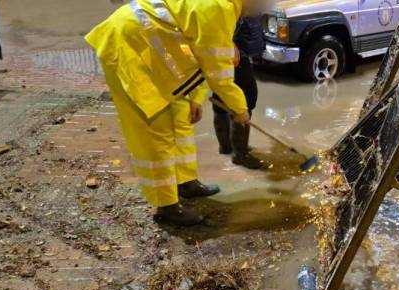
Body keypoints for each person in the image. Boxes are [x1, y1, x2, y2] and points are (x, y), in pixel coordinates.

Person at [85, 0, 268, 226]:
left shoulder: (227, 8)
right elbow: (218, 72)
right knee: (157, 132)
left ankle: (186, 183)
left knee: (182, 117)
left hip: (158, 48)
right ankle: (167, 206)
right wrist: (240, 109)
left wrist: (195, 97)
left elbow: (198, 53)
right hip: (130, 46)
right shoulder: (220, 8)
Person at [212, 16, 266, 170]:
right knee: (246, 97)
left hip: (227, 51)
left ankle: (226, 145)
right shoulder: (233, 9)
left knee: (222, 92)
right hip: (236, 54)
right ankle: (240, 154)